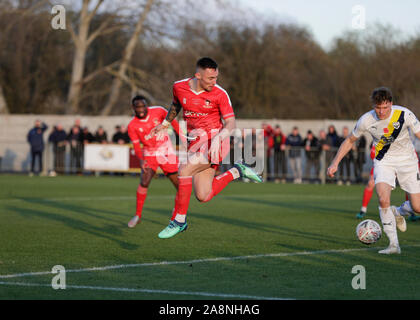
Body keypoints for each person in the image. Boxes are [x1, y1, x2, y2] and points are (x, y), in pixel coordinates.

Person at [151, 57, 261, 239]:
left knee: (184, 169)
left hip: (217, 141)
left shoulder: (220, 94)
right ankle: (237, 171)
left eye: (216, 77)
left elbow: (231, 123)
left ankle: (179, 221)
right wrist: (164, 124)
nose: (214, 82)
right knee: (203, 195)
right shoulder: (179, 86)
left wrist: (219, 138)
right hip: (196, 143)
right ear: (197, 75)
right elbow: (176, 105)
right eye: (210, 78)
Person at [327, 87, 420, 254]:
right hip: (383, 161)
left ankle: (397, 211)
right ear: (373, 105)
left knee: (418, 206)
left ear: (391, 104)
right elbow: (349, 141)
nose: (382, 111)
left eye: (385, 107)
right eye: (378, 107)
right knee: (383, 198)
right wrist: (335, 162)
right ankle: (393, 245)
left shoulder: (404, 114)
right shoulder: (366, 120)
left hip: (408, 161)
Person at [126, 96, 182, 228]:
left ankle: (176, 213)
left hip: (166, 150)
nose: (140, 109)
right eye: (137, 107)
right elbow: (136, 146)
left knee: (179, 185)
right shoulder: (132, 125)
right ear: (133, 108)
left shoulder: (159, 111)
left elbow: (173, 121)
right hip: (149, 153)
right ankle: (138, 215)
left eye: (142, 106)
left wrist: (182, 136)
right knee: (144, 182)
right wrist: (141, 160)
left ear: (146, 106)